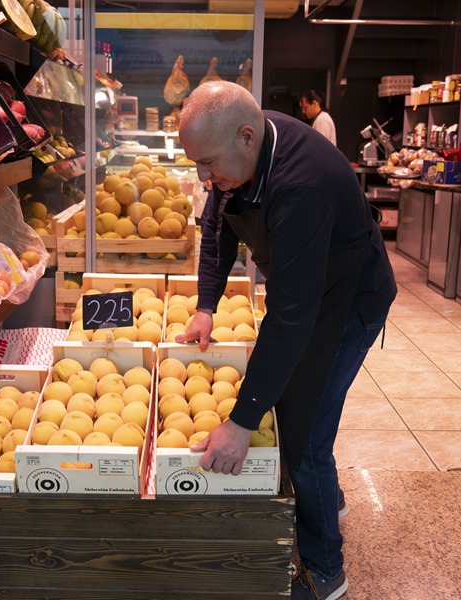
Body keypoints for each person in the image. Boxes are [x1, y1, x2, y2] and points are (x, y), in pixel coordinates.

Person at [176, 81, 397, 600]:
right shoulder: (241, 149)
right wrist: (206, 305)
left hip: (347, 303)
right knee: (299, 411)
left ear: (246, 136)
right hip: (309, 290)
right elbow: (217, 226)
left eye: (208, 164)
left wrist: (241, 421)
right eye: (197, 165)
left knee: (304, 431)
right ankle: (330, 498)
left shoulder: (302, 184)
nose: (205, 178)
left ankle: (326, 573)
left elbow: (293, 316)